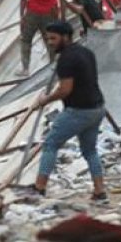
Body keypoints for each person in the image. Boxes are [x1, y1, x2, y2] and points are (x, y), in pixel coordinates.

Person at [27, 22, 107, 202]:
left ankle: (39, 188)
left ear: (66, 37)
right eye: (48, 39)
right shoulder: (86, 52)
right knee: (90, 151)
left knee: (50, 144)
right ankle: (100, 191)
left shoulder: (66, 59)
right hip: (97, 108)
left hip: (79, 111)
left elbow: (65, 89)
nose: (50, 42)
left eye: (53, 38)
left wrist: (45, 100)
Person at [18, 0, 63, 77]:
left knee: (26, 40)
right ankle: (53, 67)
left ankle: (25, 69)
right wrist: (61, 16)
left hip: (32, 12)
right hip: (50, 12)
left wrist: (22, 16)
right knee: (51, 40)